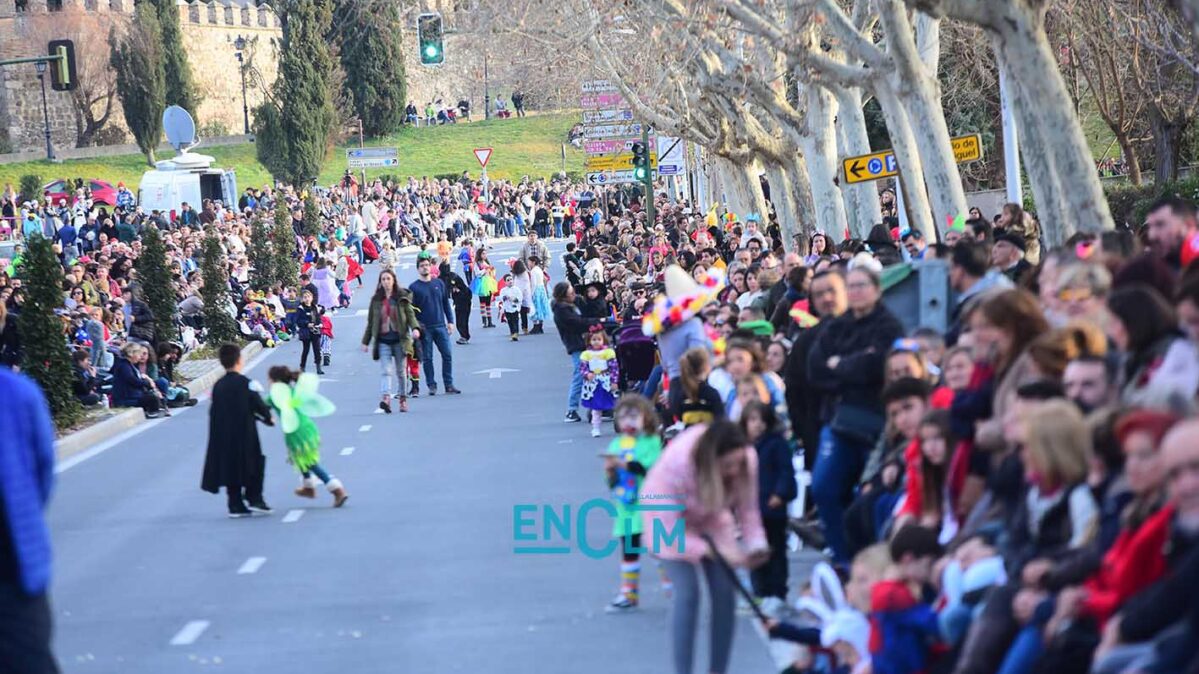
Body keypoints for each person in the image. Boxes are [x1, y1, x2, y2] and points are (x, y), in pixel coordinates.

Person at [640, 421, 769, 674]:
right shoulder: (679, 463)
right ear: (712, 460)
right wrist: (716, 553)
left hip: (711, 515)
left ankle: (717, 670)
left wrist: (756, 547)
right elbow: (671, 535)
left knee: (725, 591)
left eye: (737, 464)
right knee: (688, 593)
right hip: (665, 516)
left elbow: (748, 509)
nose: (733, 471)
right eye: (727, 466)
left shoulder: (746, 458)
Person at [0, 367, 60, 674]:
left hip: (12, 572)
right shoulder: (17, 393)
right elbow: (41, 476)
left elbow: (41, 474)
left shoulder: (16, 393)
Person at [601, 395, 665, 613]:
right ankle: (629, 593)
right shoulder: (616, 444)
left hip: (650, 504)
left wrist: (624, 464)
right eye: (623, 417)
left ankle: (673, 588)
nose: (628, 421)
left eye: (634, 416)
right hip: (627, 508)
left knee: (659, 550)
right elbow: (611, 483)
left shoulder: (651, 442)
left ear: (646, 418)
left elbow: (649, 468)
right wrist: (610, 472)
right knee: (629, 549)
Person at [201, 344, 275, 518]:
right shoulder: (246, 383)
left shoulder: (218, 385)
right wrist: (268, 418)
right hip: (245, 432)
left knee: (231, 466)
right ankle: (254, 497)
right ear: (239, 360)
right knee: (254, 463)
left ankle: (234, 503)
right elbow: (258, 404)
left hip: (224, 434)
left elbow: (213, 411)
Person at [265, 366, 348, 507]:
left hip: (297, 432)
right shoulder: (293, 391)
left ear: (275, 381)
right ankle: (309, 487)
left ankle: (337, 490)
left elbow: (260, 406)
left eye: (270, 379)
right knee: (300, 458)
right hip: (308, 428)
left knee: (310, 462)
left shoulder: (274, 396)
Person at [742, 400, 796, 610]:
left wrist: (780, 494)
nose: (757, 425)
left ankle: (777, 592)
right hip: (752, 509)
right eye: (752, 420)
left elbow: (785, 471)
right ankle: (759, 591)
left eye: (761, 420)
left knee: (775, 551)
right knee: (755, 552)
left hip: (772, 508)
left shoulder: (776, 444)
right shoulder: (744, 447)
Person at [869, 525, 942, 674]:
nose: (931, 570)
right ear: (908, 559)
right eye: (929, 564)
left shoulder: (885, 590)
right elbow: (934, 623)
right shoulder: (896, 595)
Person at [361, 269, 418, 414]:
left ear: (393, 280)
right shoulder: (376, 300)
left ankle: (403, 399)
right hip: (383, 341)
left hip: (400, 340)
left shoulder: (401, 298)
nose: (386, 282)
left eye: (388, 279)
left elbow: (410, 316)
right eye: (383, 279)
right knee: (386, 370)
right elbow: (371, 322)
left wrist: (415, 329)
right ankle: (386, 398)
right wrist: (366, 341)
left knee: (401, 372)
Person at [409, 255, 461, 395]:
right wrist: (415, 327)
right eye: (422, 266)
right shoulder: (414, 287)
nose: (425, 267)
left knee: (447, 354)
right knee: (427, 358)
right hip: (424, 329)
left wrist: (450, 321)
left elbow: (445, 304)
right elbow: (410, 311)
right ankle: (431, 385)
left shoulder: (439, 283)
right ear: (418, 269)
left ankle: (448, 384)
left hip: (440, 325)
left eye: (427, 265)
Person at [553, 281, 604, 422]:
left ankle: (600, 406)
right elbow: (577, 323)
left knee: (596, 373)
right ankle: (571, 409)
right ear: (564, 296)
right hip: (576, 344)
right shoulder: (561, 310)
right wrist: (596, 322)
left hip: (585, 342)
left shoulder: (573, 304)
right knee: (580, 375)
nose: (574, 295)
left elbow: (589, 311)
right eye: (571, 293)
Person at [669, 347, 725, 428]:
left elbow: (678, 415)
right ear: (705, 367)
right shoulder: (711, 393)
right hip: (708, 436)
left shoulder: (680, 392)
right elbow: (720, 419)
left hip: (688, 437)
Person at [580, 325, 619, 438]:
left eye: (599, 339)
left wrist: (614, 381)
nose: (596, 342)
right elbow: (582, 368)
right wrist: (587, 374)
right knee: (596, 407)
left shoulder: (608, 353)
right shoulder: (586, 354)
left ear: (603, 339)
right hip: (594, 384)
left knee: (614, 404)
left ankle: (619, 424)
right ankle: (595, 427)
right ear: (589, 340)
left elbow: (614, 368)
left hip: (606, 381)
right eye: (594, 339)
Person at [294, 289, 324, 375]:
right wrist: (307, 324)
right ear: (302, 299)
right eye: (305, 297)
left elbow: (318, 318)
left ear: (312, 297)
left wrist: (320, 324)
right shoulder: (300, 308)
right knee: (306, 350)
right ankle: (302, 367)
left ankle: (318, 367)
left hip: (315, 331)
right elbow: (298, 321)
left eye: (308, 297)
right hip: (305, 332)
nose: (307, 299)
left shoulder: (315, 307)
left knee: (317, 350)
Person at [499, 273, 523, 341]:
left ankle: (516, 333)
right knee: (510, 321)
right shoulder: (503, 290)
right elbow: (501, 298)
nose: (510, 281)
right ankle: (512, 333)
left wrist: (514, 299)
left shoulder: (517, 289)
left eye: (511, 279)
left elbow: (520, 298)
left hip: (515, 308)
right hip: (507, 308)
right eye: (508, 280)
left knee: (515, 321)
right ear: (505, 282)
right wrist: (505, 297)